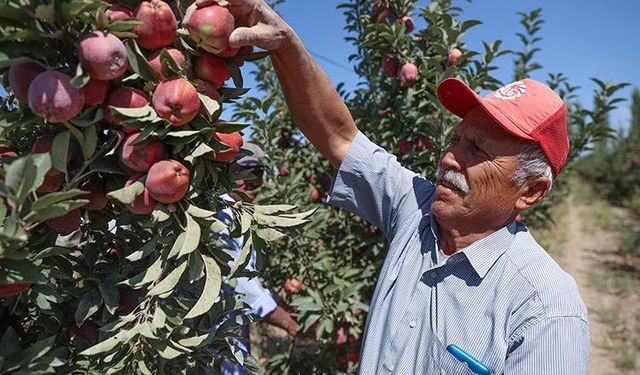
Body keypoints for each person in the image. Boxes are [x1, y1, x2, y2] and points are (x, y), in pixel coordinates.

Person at [208, 0, 590, 373]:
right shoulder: (416, 210)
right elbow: (339, 137)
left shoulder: (544, 308)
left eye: (476, 149)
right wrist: (285, 43)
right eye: (455, 140)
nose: (448, 158)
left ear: (531, 191)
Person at [216, 143, 297, 374]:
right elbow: (241, 288)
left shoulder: (239, 213)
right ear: (229, 172)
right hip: (212, 342)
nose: (254, 180)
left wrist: (281, 305)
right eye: (246, 172)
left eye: (258, 173)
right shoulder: (223, 216)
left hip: (226, 337)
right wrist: (290, 324)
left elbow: (248, 283)